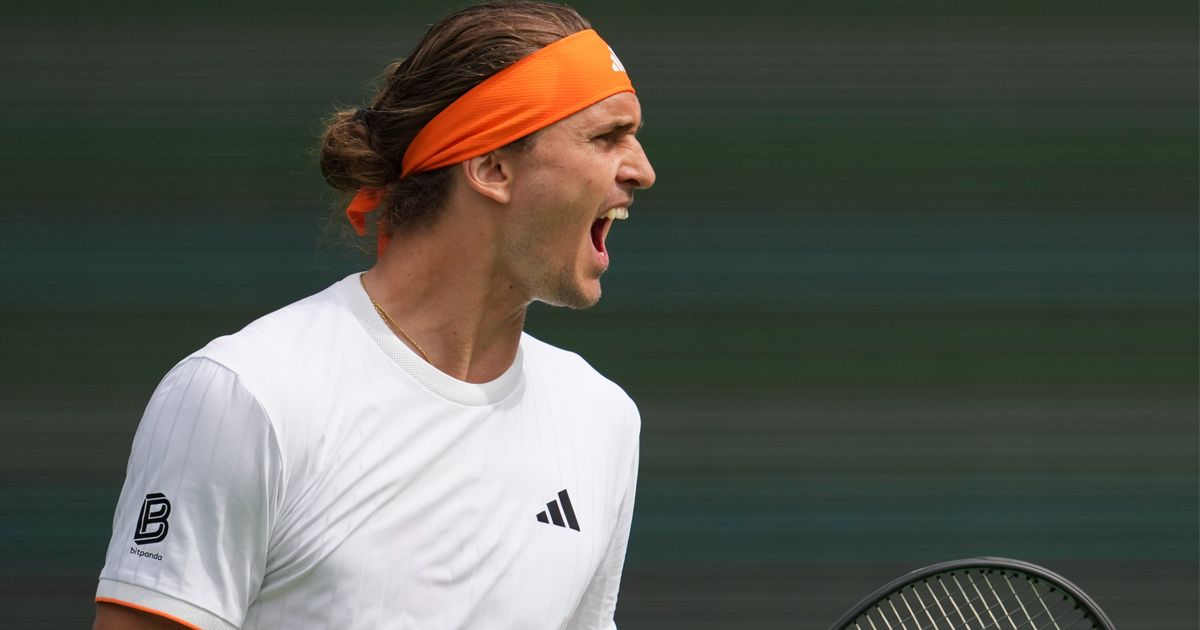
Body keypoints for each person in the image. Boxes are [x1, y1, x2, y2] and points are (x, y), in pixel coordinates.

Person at [92, 1, 655, 628]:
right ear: (492, 166)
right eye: (607, 137)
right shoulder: (244, 394)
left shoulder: (602, 418)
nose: (643, 171)